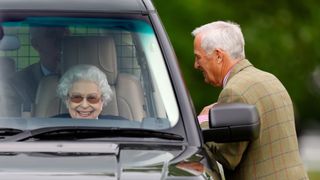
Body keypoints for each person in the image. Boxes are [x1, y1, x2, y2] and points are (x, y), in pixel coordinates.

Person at [192, 21, 308, 179]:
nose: (196, 65)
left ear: (218, 56)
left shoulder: (234, 92)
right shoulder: (270, 79)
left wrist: (202, 122)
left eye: (198, 57)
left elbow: (228, 157)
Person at [8, 26, 69, 116]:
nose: (60, 41)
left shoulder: (90, 79)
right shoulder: (16, 84)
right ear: (36, 45)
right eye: (52, 35)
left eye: (66, 35)